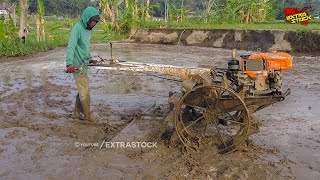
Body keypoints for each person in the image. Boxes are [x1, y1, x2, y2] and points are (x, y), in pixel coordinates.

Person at [65, 7, 100, 123]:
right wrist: (69, 63)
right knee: (84, 91)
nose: (93, 23)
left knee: (83, 88)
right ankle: (87, 117)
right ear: (86, 18)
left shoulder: (88, 30)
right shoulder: (77, 29)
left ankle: (76, 112)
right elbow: (71, 46)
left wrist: (90, 60)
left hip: (84, 65)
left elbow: (86, 48)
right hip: (77, 66)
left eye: (95, 21)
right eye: (92, 21)